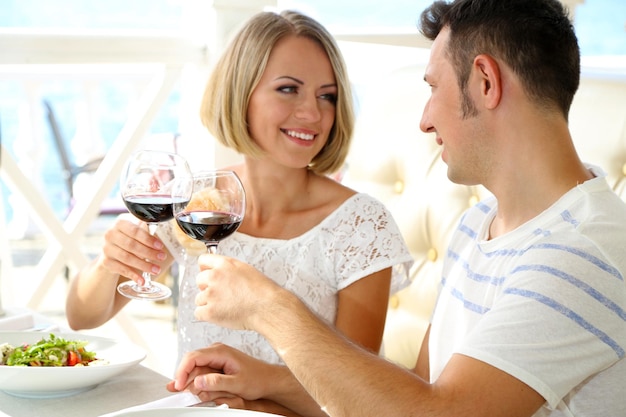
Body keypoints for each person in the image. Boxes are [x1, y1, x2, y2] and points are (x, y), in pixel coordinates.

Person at [169, 0, 626, 416]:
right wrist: (265, 381)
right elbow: (416, 390)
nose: (425, 119)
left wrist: (268, 308)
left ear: (486, 82)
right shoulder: (478, 226)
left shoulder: (581, 252)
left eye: (433, 88)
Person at [65, 9, 413, 415]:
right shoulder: (197, 202)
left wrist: (259, 398)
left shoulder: (361, 225)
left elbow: (359, 395)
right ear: (239, 92)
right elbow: (81, 316)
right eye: (288, 89)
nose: (312, 113)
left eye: (327, 96)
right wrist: (109, 263)